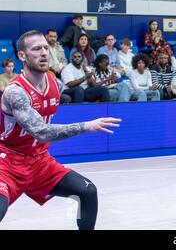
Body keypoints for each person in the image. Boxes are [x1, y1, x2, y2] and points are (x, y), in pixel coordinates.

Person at [0, 30, 121, 229]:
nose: (44, 53)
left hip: (39, 160)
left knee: (87, 190)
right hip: (7, 162)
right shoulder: (16, 92)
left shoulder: (54, 83)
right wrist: (85, 126)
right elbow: (41, 131)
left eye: (46, 48)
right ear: (22, 56)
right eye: (36, 49)